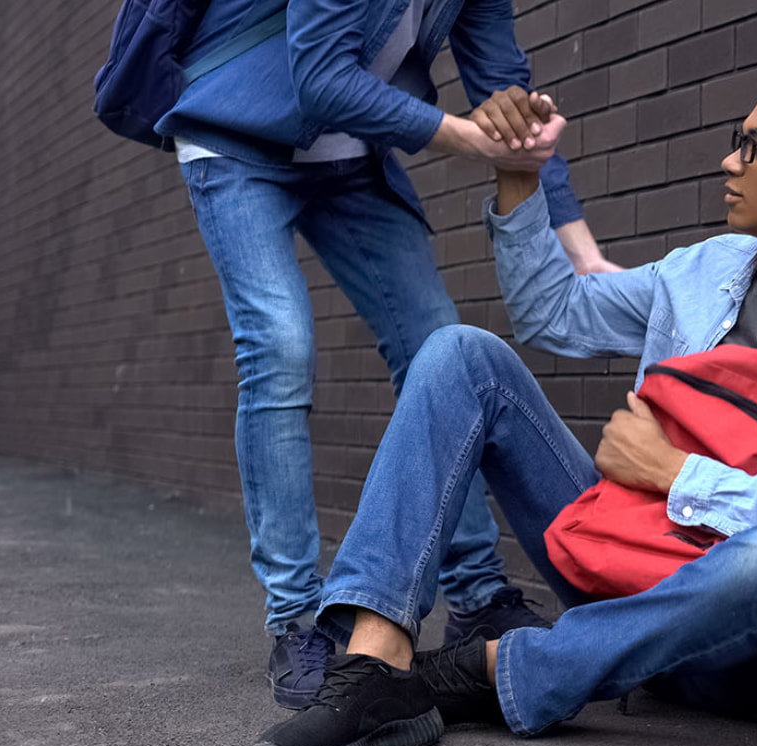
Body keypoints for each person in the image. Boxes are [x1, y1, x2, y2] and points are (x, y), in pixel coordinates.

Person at [251, 48, 757, 746]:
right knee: (459, 354)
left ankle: (496, 669)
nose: (729, 163)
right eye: (738, 138)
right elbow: (554, 314)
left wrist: (674, 471)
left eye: (753, 148)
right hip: (631, 562)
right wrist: (520, 178)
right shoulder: (707, 269)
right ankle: (378, 665)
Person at [153, 0, 618, 709]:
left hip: (351, 157)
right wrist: (466, 136)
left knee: (436, 343)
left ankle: (477, 596)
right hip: (237, 140)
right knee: (279, 347)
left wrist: (583, 254)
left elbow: (509, 92)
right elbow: (319, 76)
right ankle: (297, 619)